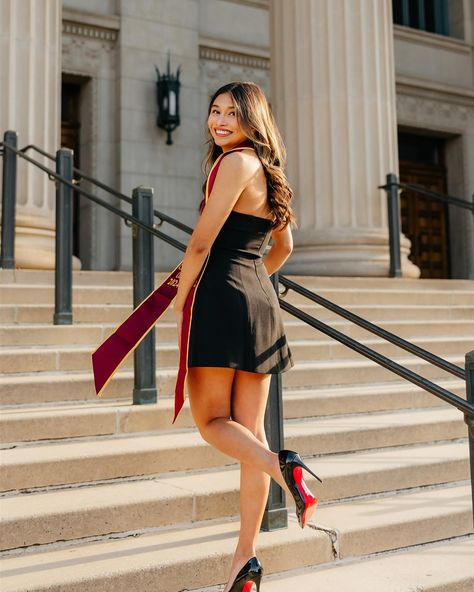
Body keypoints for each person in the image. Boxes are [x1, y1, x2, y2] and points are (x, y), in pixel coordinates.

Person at [172, 81, 322, 592]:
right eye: (214, 111)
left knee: (213, 423)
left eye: (232, 114)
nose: (219, 122)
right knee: (249, 436)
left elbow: (200, 242)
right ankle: (245, 561)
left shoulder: (234, 163)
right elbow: (284, 247)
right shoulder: (268, 171)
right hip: (259, 300)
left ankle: (286, 468)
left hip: (219, 298)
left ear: (251, 121)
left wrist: (179, 299)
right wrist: (252, 277)